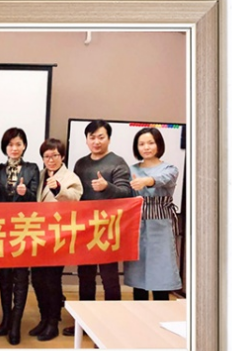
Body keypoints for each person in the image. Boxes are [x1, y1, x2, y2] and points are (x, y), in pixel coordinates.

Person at [68, 120, 132, 335]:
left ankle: (112, 323)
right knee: (85, 276)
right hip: (85, 228)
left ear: (109, 139)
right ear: (86, 140)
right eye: (92, 137)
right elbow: (76, 194)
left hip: (108, 229)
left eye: (101, 137)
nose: (96, 141)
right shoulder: (80, 164)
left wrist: (107, 187)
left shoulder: (118, 162)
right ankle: (85, 323)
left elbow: (127, 193)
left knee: (109, 277)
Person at [30, 138, 83, 341]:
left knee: (51, 280)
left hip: (58, 236)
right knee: (37, 279)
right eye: (46, 156)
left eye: (55, 155)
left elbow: (74, 198)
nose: (50, 160)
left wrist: (58, 189)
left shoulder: (71, 177)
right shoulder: (39, 174)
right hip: (37, 235)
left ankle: (53, 321)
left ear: (63, 157)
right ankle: (44, 318)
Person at [0, 127, 39, 345]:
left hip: (23, 227)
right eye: (10, 144)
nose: (14, 148)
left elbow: (35, 197)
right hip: (2, 228)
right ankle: (6, 318)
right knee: (4, 276)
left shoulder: (32, 168)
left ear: (24, 146)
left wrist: (25, 193)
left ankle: (16, 323)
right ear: (5, 147)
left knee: (20, 276)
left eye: (18, 144)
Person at [123, 127, 182, 299]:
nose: (146, 147)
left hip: (161, 226)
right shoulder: (130, 169)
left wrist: (147, 181)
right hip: (136, 226)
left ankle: (160, 312)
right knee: (138, 274)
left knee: (160, 273)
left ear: (159, 145)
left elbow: (164, 179)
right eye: (141, 144)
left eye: (151, 143)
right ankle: (139, 312)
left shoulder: (170, 168)